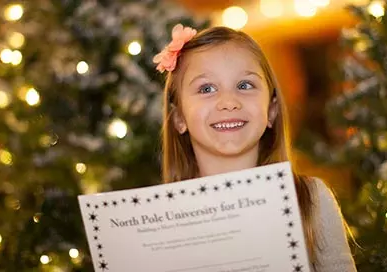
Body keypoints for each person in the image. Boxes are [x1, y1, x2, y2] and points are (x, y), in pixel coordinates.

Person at [153, 24, 357, 272]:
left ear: (271, 110)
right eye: (206, 88)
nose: (228, 102)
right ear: (179, 118)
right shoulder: (157, 223)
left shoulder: (311, 199)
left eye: (245, 85)